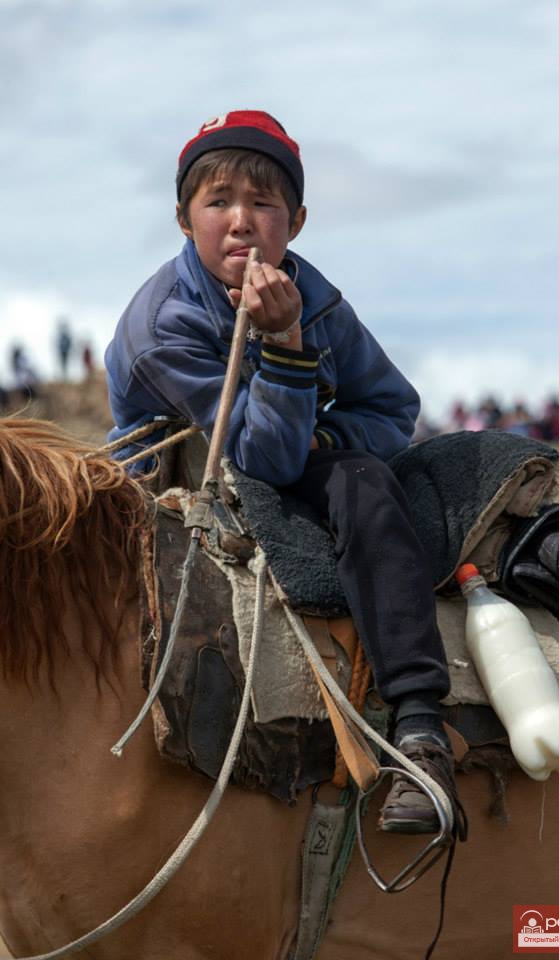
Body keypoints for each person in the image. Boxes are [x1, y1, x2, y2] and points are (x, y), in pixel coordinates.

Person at [105, 110, 460, 835]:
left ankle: (422, 730)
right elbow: (255, 458)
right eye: (218, 201)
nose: (242, 221)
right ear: (183, 218)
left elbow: (392, 406)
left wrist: (323, 432)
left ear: (294, 221)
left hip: (284, 450)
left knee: (366, 480)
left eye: (264, 203)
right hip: (184, 481)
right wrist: (290, 349)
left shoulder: (316, 296)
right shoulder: (162, 326)